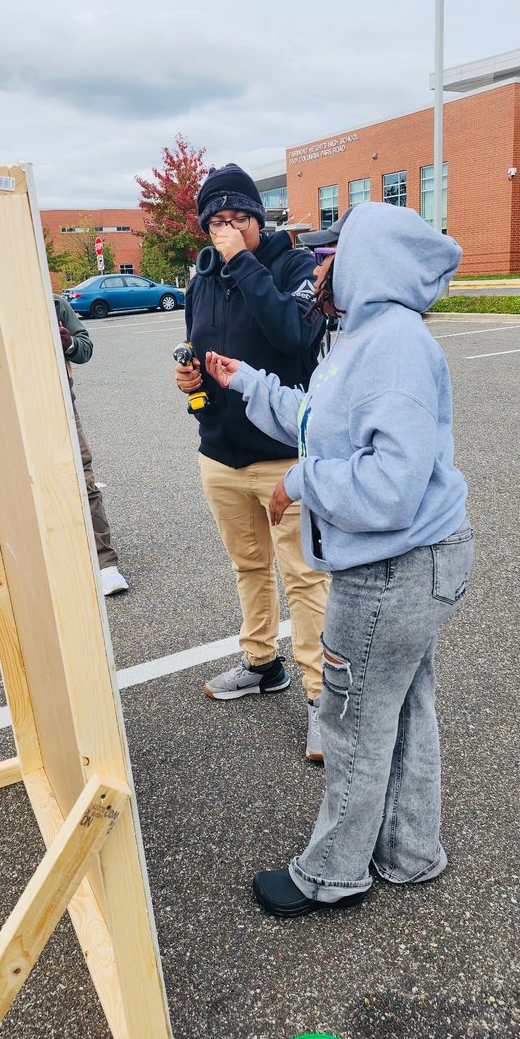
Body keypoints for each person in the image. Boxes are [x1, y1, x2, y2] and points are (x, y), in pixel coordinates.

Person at [204, 200, 474, 917]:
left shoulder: (394, 346)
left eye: (331, 256)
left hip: (394, 569)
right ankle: (410, 852)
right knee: (403, 706)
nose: (319, 270)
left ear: (367, 261)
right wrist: (247, 382)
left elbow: (390, 487)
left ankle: (332, 874)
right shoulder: (365, 337)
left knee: (353, 719)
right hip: (412, 562)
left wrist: (301, 481)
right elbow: (318, 423)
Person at [175, 163, 329, 760]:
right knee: (249, 565)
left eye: (240, 217)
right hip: (221, 452)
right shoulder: (202, 277)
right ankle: (263, 663)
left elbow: (293, 336)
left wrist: (243, 261)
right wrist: (190, 379)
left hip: (283, 457)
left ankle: (323, 699)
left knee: (306, 577)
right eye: (218, 219)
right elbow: (200, 343)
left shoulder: (293, 266)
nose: (229, 227)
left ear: (258, 220)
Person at [55, 294, 129, 596]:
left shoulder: (54, 304)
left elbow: (84, 348)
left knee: (83, 480)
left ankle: (104, 563)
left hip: (61, 407)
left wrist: (69, 343)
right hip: (10, 413)